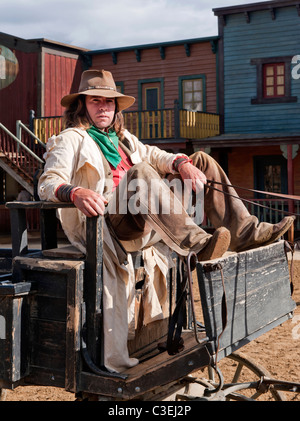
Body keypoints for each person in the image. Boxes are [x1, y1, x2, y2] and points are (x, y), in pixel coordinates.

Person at [38, 69, 295, 373]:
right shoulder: (71, 140)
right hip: (105, 224)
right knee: (141, 173)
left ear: (116, 108)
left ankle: (245, 231)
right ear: (82, 106)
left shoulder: (123, 140)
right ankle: (196, 244)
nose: (104, 108)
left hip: (140, 215)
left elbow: (156, 155)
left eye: (109, 103)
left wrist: (181, 163)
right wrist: (75, 191)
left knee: (201, 160)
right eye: (96, 101)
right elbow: (47, 183)